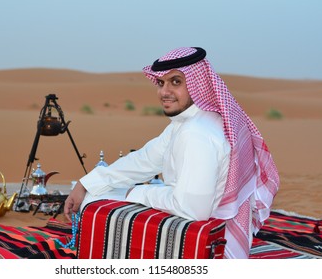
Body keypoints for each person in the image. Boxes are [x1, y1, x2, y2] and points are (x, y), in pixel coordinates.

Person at [64, 47, 279, 258]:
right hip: (211, 226)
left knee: (96, 205)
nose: (164, 92)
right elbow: (145, 160)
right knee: (96, 193)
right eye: (161, 83)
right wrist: (87, 183)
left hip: (211, 242)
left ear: (199, 84)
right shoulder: (193, 121)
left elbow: (192, 209)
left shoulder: (196, 133)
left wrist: (135, 193)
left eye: (176, 82)